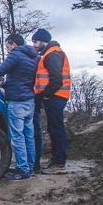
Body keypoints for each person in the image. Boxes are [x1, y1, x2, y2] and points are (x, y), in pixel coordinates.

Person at [0, 34, 39, 181]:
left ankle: (22, 171)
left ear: (13, 44)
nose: (8, 49)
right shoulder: (33, 57)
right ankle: (30, 167)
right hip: (29, 100)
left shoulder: (16, 55)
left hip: (16, 101)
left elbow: (0, 70)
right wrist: (2, 84)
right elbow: (20, 79)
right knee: (29, 136)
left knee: (18, 137)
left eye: (7, 46)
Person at [32, 28, 71, 175]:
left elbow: (56, 79)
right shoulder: (52, 53)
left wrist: (46, 95)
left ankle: (59, 163)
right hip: (56, 96)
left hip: (55, 97)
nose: (34, 45)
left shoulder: (53, 53)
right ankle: (56, 160)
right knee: (54, 128)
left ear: (42, 40)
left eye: (35, 41)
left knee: (56, 129)